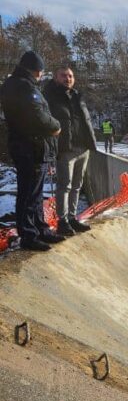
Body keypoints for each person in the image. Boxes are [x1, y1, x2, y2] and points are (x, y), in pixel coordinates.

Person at [0, 51, 65, 251]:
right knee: (29, 193)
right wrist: (56, 125)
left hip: (28, 146)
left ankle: (40, 228)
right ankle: (29, 234)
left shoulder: (14, 85)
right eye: (40, 71)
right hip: (31, 147)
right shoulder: (24, 87)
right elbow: (39, 116)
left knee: (34, 192)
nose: (41, 75)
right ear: (36, 70)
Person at [43, 66, 97, 236]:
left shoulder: (77, 96)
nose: (68, 78)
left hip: (83, 148)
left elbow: (85, 121)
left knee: (77, 186)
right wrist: (51, 149)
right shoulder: (50, 97)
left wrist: (91, 142)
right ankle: (62, 221)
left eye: (70, 75)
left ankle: (73, 218)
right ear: (55, 77)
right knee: (64, 186)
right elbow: (46, 124)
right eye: (64, 75)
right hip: (65, 149)